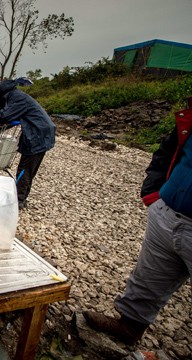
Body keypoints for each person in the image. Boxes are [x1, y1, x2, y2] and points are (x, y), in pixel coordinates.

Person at [83, 100, 192, 345]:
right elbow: (168, 150)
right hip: (167, 212)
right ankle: (129, 325)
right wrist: (153, 194)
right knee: (148, 277)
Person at [0, 79, 56, 209]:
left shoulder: (17, 99)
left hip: (37, 135)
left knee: (25, 169)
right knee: (29, 169)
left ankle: (18, 201)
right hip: (42, 132)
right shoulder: (18, 96)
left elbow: (5, 116)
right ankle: (21, 197)